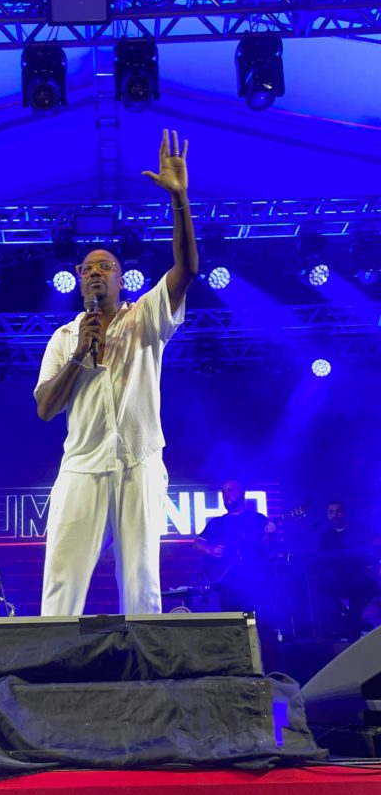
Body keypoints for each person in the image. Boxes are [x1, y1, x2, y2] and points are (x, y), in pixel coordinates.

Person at [35, 128, 198, 615]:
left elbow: (187, 269)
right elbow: (45, 408)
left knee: (142, 581)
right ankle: (52, 659)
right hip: (82, 465)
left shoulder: (145, 316)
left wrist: (179, 199)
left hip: (139, 461)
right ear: (78, 280)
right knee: (61, 580)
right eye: (88, 268)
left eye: (105, 266)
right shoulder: (65, 336)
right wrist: (79, 355)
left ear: (121, 278)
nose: (95, 271)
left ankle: (145, 661)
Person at [194, 480, 276, 622]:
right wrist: (211, 550)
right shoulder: (217, 522)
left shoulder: (257, 519)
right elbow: (197, 543)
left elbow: (267, 547)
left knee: (257, 623)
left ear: (242, 493)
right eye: (223, 492)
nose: (226, 494)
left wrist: (270, 535)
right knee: (232, 625)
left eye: (230, 490)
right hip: (226, 585)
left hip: (253, 583)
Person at [313, 500, 378, 642]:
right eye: (331, 512)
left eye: (338, 511)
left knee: (359, 588)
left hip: (360, 580)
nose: (335, 515)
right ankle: (335, 630)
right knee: (316, 587)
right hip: (337, 581)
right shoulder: (326, 536)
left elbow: (373, 549)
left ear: (344, 513)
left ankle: (353, 631)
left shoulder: (359, 531)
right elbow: (322, 559)